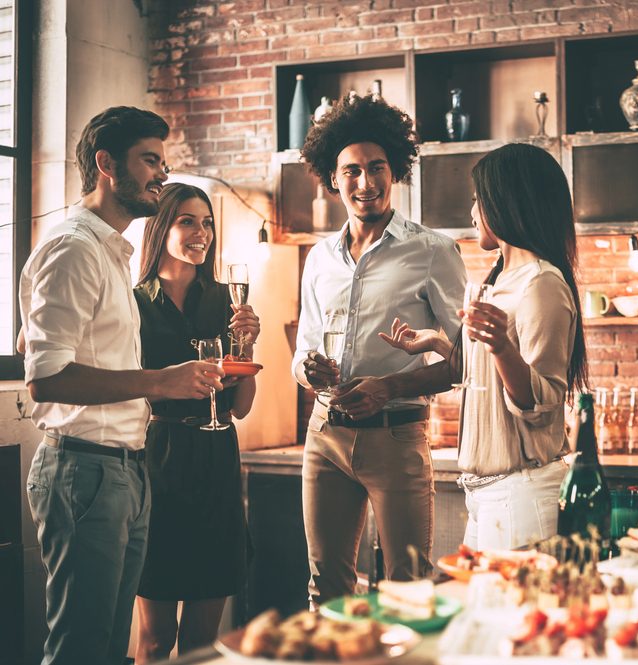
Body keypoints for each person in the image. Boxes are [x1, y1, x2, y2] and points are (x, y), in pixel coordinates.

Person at [20, 107, 224, 665]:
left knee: (113, 651)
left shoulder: (110, 250)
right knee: (80, 649)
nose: (162, 173)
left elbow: (37, 343)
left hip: (125, 468)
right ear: (107, 164)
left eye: (163, 160)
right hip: (83, 469)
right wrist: (162, 380)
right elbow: (45, 378)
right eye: (150, 160)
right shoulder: (75, 248)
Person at [293, 93, 466, 603]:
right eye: (351, 171)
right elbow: (301, 351)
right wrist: (312, 370)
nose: (365, 183)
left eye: (376, 168)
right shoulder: (319, 258)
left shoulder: (434, 251)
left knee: (407, 589)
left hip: (397, 437)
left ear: (395, 172)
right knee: (326, 589)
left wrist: (388, 386)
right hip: (324, 438)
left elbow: (463, 361)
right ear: (332, 177)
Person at [381, 143, 587, 549]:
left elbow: (542, 402)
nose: (472, 212)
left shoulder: (541, 284)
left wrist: (501, 348)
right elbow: (487, 380)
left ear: (507, 202)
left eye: (478, 199)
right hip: (487, 496)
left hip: (521, 494)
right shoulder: (500, 280)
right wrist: (440, 343)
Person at [132, 183, 261, 661]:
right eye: (187, 220)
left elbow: (242, 405)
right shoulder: (134, 303)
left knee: (203, 644)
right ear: (162, 225)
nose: (201, 232)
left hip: (216, 461)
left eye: (207, 223)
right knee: (155, 638)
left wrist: (248, 347)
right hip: (158, 463)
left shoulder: (227, 300)